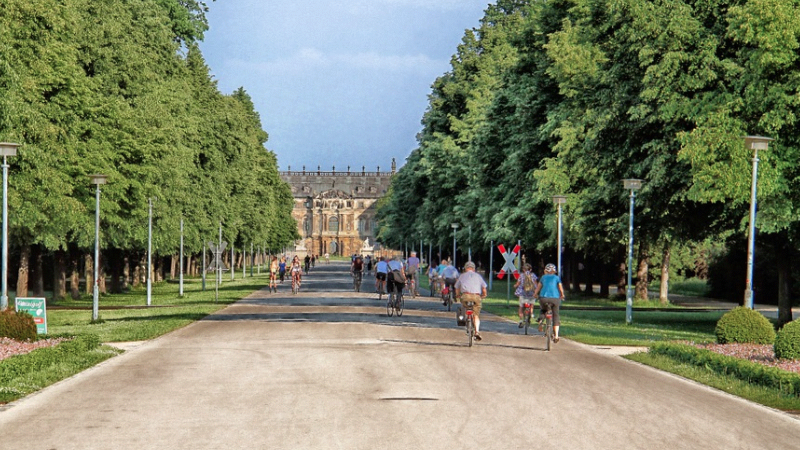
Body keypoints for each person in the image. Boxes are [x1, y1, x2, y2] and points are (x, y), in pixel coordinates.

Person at [455, 261, 488, 341]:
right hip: (476, 296)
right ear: (474, 269)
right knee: (476, 315)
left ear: (466, 268)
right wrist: (484, 295)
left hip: (465, 296)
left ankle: (465, 317)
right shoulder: (478, 276)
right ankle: (477, 331)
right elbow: (484, 288)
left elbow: (457, 287)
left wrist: (458, 295)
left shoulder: (462, 276)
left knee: (464, 306)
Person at [533, 263, 566, 343]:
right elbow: (560, 288)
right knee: (556, 315)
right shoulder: (557, 278)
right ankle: (556, 336)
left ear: (546, 270)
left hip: (543, 298)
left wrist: (535, 294)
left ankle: (540, 321)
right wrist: (562, 295)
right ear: (554, 271)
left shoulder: (543, 278)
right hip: (555, 299)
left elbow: (538, 287)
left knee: (543, 310)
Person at [514, 263, 538, 327]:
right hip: (531, 293)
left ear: (523, 269)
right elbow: (536, 284)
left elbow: (518, 284)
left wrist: (515, 286)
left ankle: (521, 320)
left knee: (521, 307)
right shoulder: (533, 275)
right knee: (531, 305)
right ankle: (531, 313)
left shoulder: (521, 275)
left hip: (522, 293)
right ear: (530, 269)